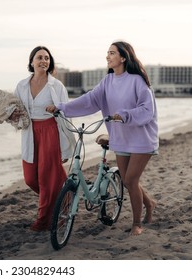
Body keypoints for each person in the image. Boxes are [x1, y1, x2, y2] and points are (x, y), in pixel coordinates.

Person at [46, 41, 158, 235]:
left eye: (112, 53)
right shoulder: (107, 81)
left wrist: (125, 115)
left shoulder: (137, 81)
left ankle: (136, 223)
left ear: (123, 57)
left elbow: (148, 110)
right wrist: (62, 107)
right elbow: (90, 100)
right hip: (121, 137)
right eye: (107, 53)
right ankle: (149, 204)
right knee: (127, 180)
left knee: (131, 180)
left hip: (141, 139)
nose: (108, 56)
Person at [11, 46, 75, 232]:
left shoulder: (56, 86)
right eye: (39, 57)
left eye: (47, 58)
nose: (44, 61)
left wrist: (65, 145)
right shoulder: (22, 85)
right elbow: (15, 108)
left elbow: (65, 114)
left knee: (47, 179)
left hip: (50, 131)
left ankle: (43, 220)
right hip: (30, 131)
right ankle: (64, 197)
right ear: (32, 62)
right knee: (31, 178)